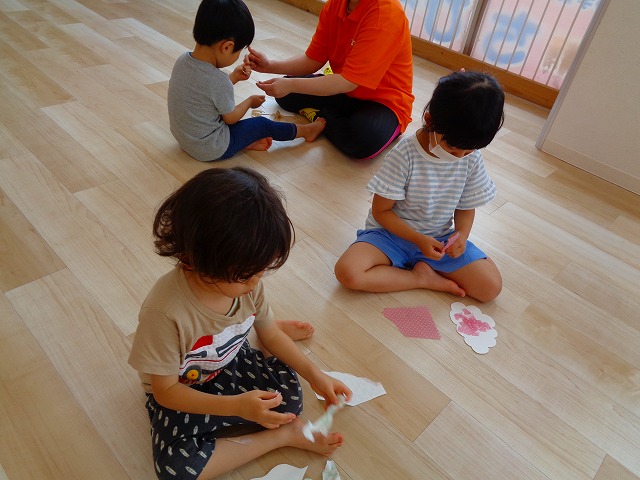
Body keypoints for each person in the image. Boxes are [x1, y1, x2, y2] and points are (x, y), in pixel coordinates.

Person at [128, 167, 352, 479]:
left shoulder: (248, 284)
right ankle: (282, 437)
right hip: (183, 388)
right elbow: (165, 391)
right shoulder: (165, 312)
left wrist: (316, 375)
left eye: (261, 271)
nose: (257, 282)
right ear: (198, 259)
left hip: (229, 360)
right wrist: (237, 407)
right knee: (177, 471)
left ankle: (259, 328)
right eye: (247, 275)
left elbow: (271, 336)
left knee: (290, 400)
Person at [334, 71, 505, 302]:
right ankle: (420, 278)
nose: (460, 156)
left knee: (490, 288)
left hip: (439, 239)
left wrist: (461, 236)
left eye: (469, 150)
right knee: (348, 272)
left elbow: (466, 207)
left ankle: (422, 268)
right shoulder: (404, 155)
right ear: (429, 120)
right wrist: (418, 240)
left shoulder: (470, 158)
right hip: (390, 235)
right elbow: (381, 211)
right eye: (453, 149)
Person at [246, 0, 414, 160]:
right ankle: (333, 119)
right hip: (344, 90)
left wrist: (291, 84)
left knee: (361, 141)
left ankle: (323, 118)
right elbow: (313, 60)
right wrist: (270, 66)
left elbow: (348, 82)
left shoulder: (386, 14)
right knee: (286, 96)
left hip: (384, 102)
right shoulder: (335, 5)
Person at [167, 0, 326, 162]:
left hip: (186, 139)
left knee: (236, 125)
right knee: (262, 125)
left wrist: (234, 77)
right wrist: (249, 102)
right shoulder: (218, 80)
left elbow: (206, 93)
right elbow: (230, 118)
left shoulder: (182, 60)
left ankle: (245, 141)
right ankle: (306, 132)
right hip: (211, 148)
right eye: (239, 50)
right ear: (227, 47)